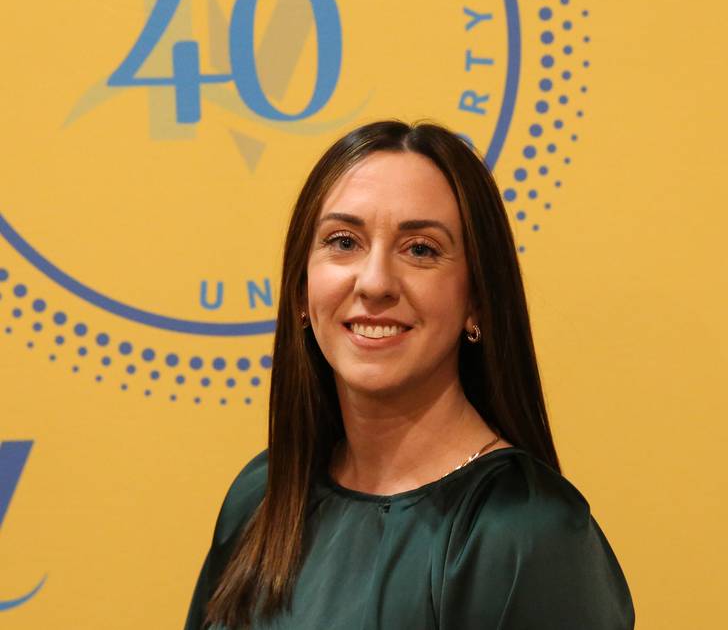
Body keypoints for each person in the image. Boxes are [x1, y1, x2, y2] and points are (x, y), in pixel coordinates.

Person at [185, 120, 635, 629]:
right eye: (343, 241)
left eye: (420, 249)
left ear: (477, 301)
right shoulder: (263, 493)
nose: (375, 282)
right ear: (300, 293)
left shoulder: (526, 533)